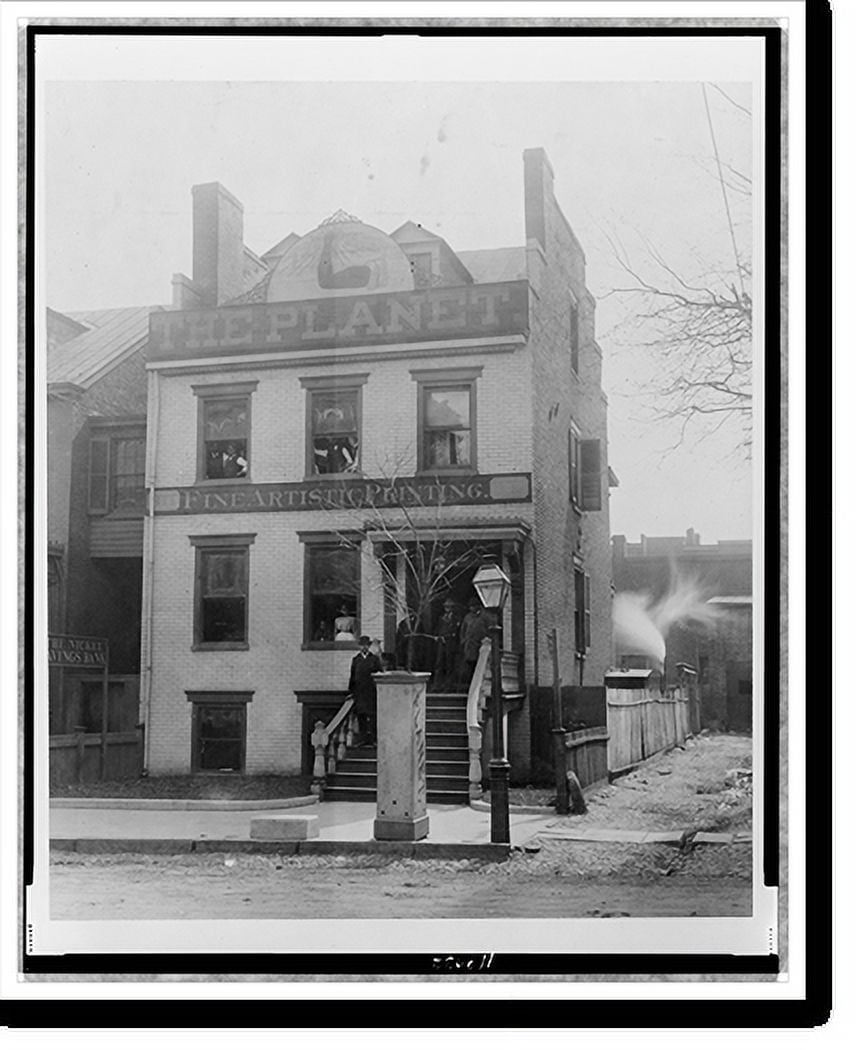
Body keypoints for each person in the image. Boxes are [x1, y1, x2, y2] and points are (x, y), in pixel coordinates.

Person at [348, 635, 383, 745]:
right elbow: (352, 677)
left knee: (372, 716)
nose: (364, 647)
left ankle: (373, 738)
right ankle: (363, 738)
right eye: (362, 645)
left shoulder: (374, 659)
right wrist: (351, 692)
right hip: (359, 692)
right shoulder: (356, 660)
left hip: (371, 692)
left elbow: (379, 674)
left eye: (366, 645)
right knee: (361, 716)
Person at [459, 598, 489, 687]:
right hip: (469, 646)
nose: (471, 608)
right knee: (469, 666)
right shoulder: (467, 617)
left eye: (473, 606)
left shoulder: (485, 617)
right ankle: (469, 685)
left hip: (480, 646)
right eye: (470, 607)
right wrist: (463, 640)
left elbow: (489, 630)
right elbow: (462, 630)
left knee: (478, 666)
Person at [434, 598, 462, 691]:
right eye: (446, 607)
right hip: (441, 643)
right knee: (439, 664)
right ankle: (437, 685)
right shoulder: (440, 618)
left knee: (450, 665)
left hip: (451, 644)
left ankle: (448, 686)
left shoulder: (456, 619)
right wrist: (437, 636)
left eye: (449, 607)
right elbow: (437, 630)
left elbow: (458, 633)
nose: (447, 608)